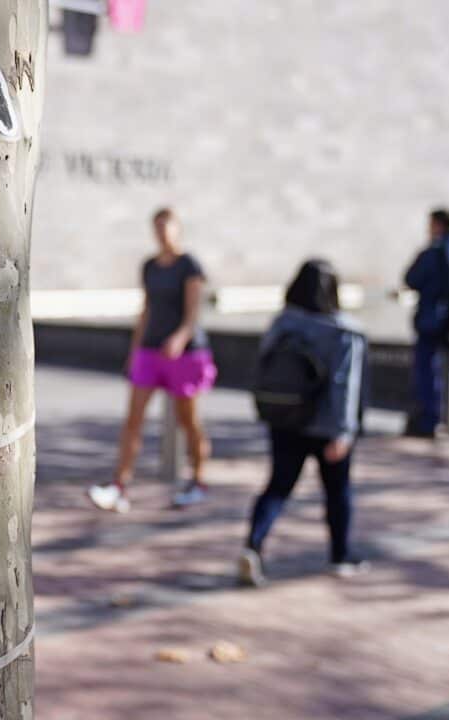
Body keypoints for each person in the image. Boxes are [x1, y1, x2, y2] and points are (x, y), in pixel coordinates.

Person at [239, 260, 369, 587]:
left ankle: (253, 545)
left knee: (277, 487)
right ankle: (340, 555)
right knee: (337, 491)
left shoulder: (282, 324)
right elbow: (345, 385)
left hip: (285, 419)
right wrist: (344, 431)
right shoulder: (343, 332)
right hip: (327, 425)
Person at [88, 208, 217, 513]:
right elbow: (146, 309)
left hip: (185, 353)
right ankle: (119, 485)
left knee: (188, 420)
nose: (162, 232)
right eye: (157, 226)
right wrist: (135, 350)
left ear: (177, 228)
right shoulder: (149, 266)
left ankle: (198, 480)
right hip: (150, 351)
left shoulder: (189, 265)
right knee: (133, 419)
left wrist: (179, 338)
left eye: (166, 226)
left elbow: (193, 313)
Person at [403, 208, 449, 438]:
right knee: (448, 369)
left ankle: (428, 421)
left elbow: (412, 278)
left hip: (430, 318)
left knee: (427, 370)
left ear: (438, 224)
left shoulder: (433, 252)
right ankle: (446, 419)